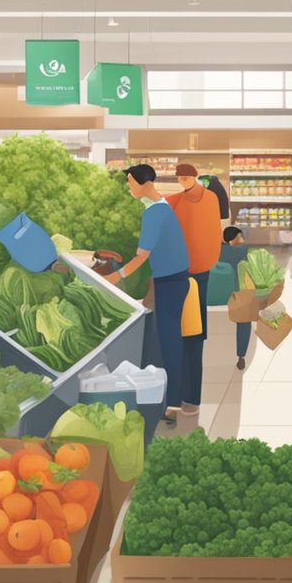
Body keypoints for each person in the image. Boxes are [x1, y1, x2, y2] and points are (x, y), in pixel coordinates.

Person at [106, 165, 189, 433]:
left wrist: (114, 278)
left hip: (169, 281)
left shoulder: (154, 213)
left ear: (145, 183)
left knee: (169, 341)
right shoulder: (161, 207)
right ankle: (170, 399)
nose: (129, 187)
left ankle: (172, 403)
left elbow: (141, 256)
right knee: (168, 338)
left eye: (130, 182)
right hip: (173, 278)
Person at [166, 163, 222, 420]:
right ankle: (184, 397)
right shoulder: (189, 199)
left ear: (194, 177)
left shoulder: (181, 201)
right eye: (180, 177)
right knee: (189, 334)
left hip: (185, 274)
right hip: (195, 272)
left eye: (186, 177)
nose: (183, 181)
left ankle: (187, 397)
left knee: (188, 334)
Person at [221, 226, 253, 371]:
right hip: (236, 293)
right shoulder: (242, 251)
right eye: (240, 237)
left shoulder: (218, 250)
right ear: (233, 239)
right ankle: (241, 355)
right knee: (245, 318)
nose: (242, 240)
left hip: (217, 292)